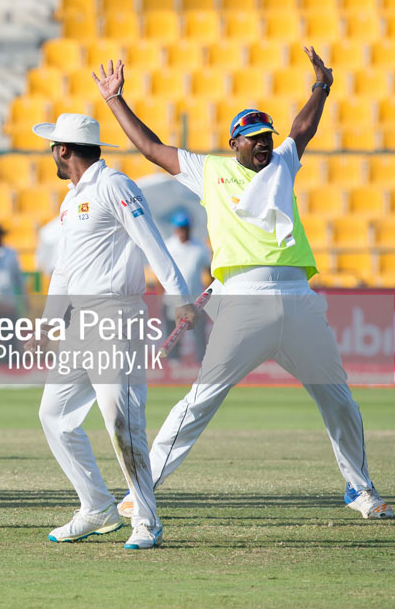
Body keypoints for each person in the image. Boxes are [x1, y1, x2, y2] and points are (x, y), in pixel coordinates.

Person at [95, 51, 393, 521]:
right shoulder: (210, 170)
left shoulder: (283, 161)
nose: (263, 144)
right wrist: (115, 100)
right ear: (233, 142)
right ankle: (142, 488)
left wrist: (323, 86)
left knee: (338, 399)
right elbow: (152, 148)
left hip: (297, 299)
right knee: (200, 401)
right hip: (243, 303)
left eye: (266, 137)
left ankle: (360, 491)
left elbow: (302, 129)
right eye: (253, 138)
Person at [33, 112, 193, 551]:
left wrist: (178, 296)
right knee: (55, 416)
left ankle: (147, 518)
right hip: (80, 322)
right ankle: (97, 507)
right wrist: (49, 321)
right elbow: (65, 269)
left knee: (121, 419)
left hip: (117, 317)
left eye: (53, 147)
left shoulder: (114, 184)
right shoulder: (70, 200)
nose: (51, 153)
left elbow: (150, 241)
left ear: (63, 149)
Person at [162, 212, 212, 362]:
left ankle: (201, 365)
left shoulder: (200, 248)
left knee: (199, 335)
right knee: (172, 335)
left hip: (195, 299)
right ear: (175, 229)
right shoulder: (168, 246)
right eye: (180, 228)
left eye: (185, 228)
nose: (183, 231)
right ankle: (173, 368)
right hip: (172, 299)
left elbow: (209, 271)